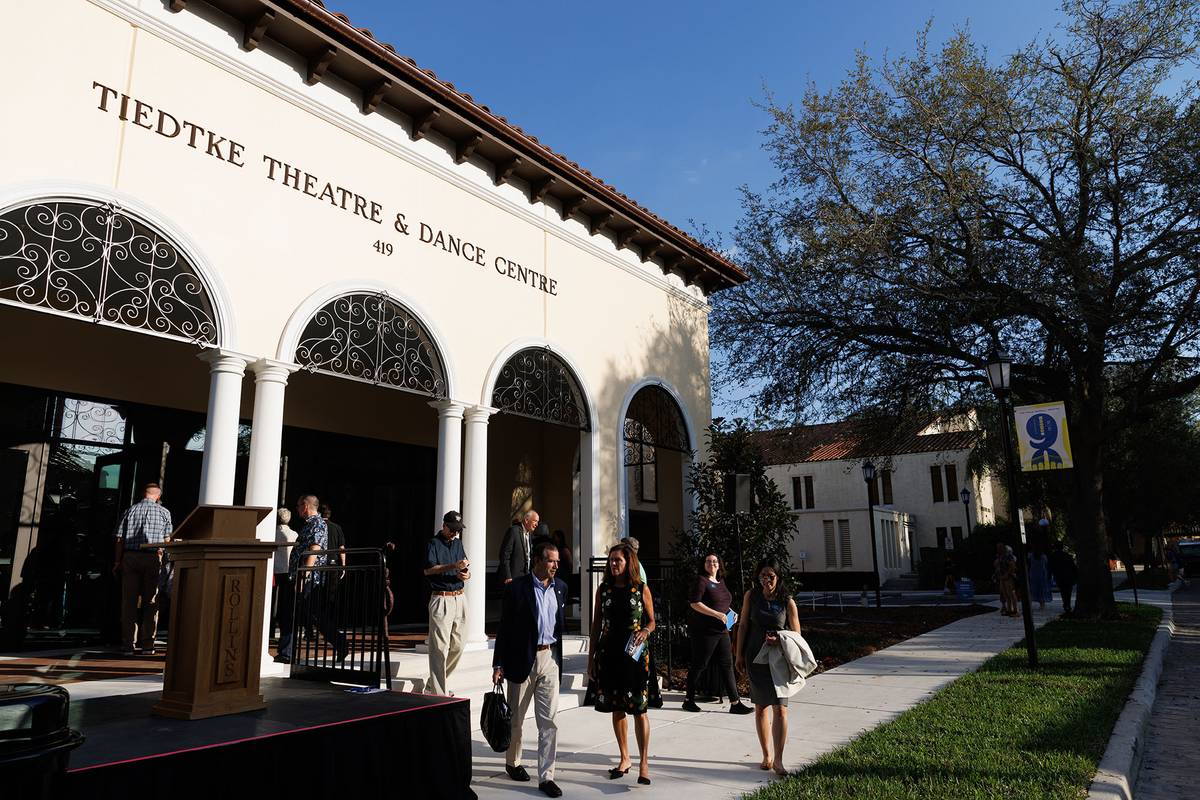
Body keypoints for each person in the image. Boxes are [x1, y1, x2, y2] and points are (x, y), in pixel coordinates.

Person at [492, 539, 568, 798]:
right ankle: (513, 763)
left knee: (549, 722)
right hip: (521, 660)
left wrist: (557, 659)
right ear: (537, 560)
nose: (555, 566)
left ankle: (547, 777)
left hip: (549, 659)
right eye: (550, 560)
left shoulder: (561, 588)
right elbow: (504, 628)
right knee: (515, 718)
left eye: (557, 561)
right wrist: (498, 663)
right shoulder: (517, 589)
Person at [588, 543, 655, 785]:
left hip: (634, 655)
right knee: (616, 706)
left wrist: (645, 631)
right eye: (611, 560)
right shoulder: (603, 590)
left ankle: (644, 763)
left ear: (629, 563)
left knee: (639, 709)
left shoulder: (640, 589)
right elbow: (596, 625)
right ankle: (624, 757)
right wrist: (591, 659)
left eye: (618, 560)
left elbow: (652, 621)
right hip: (609, 654)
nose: (613, 564)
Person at [735, 557, 801, 776]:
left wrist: (780, 640)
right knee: (761, 706)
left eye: (770, 576)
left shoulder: (787, 601)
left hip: (779, 659)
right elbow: (743, 624)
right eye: (763, 575)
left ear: (778, 577)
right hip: (755, 655)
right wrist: (739, 654)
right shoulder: (751, 596)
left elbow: (796, 635)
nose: (766, 580)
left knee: (780, 708)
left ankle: (779, 760)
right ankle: (766, 755)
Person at [275, 495, 346, 664]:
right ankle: (286, 652)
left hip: (308, 579)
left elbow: (315, 549)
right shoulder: (308, 524)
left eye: (299, 505)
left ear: (306, 506)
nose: (297, 509)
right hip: (300, 576)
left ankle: (340, 643)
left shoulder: (317, 523)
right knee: (292, 613)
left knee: (313, 615)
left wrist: (304, 575)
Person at [683, 552, 752, 715]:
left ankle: (735, 703)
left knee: (727, 666)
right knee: (699, 665)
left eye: (714, 561)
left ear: (719, 564)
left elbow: (721, 603)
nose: (711, 563)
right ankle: (688, 700)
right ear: (704, 564)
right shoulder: (702, 580)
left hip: (722, 631)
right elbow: (695, 603)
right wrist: (717, 614)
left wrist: (730, 612)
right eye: (708, 561)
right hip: (705, 632)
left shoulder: (720, 582)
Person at [112, 483, 173, 656]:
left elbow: (119, 539)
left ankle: (128, 645)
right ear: (158, 496)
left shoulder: (130, 510)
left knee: (128, 602)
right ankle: (148, 645)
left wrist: (117, 561)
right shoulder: (164, 512)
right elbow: (167, 540)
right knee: (151, 601)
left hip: (130, 557)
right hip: (153, 557)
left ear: (143, 494)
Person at [424, 510, 471, 695]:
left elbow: (465, 566)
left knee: (458, 645)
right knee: (439, 648)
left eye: (458, 530)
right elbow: (428, 570)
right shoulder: (433, 544)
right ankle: (438, 692)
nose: (455, 533)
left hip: (460, 597)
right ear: (444, 526)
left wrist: (466, 573)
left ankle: (432, 685)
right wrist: (453, 567)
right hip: (441, 598)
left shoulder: (458, 543)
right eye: (452, 529)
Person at [272, 508, 298, 639]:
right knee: (285, 603)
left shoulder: (272, 533)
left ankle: (270, 629)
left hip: (274, 570)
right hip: (287, 571)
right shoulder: (294, 534)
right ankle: (283, 631)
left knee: (271, 602)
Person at [500, 509, 540, 584]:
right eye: (535, 521)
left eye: (537, 522)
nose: (537, 524)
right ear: (526, 520)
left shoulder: (530, 535)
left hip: (526, 577)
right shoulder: (514, 531)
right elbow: (505, 555)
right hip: (513, 578)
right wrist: (508, 576)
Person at [1048, 540, 1078, 615]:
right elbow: (1073, 567)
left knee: (1063, 591)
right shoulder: (1067, 556)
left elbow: (1050, 567)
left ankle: (1066, 604)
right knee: (1068, 592)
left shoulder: (1053, 556)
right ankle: (1067, 604)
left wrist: (1049, 575)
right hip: (1069, 576)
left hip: (1059, 576)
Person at [994, 542, 1018, 617]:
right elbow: (997, 566)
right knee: (1006, 594)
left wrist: (1007, 574)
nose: (998, 549)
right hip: (1002, 577)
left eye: (999, 548)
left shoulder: (1009, 556)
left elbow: (1012, 566)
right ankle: (1009, 609)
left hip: (1008, 577)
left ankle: (1015, 610)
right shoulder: (1000, 557)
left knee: (1011, 593)